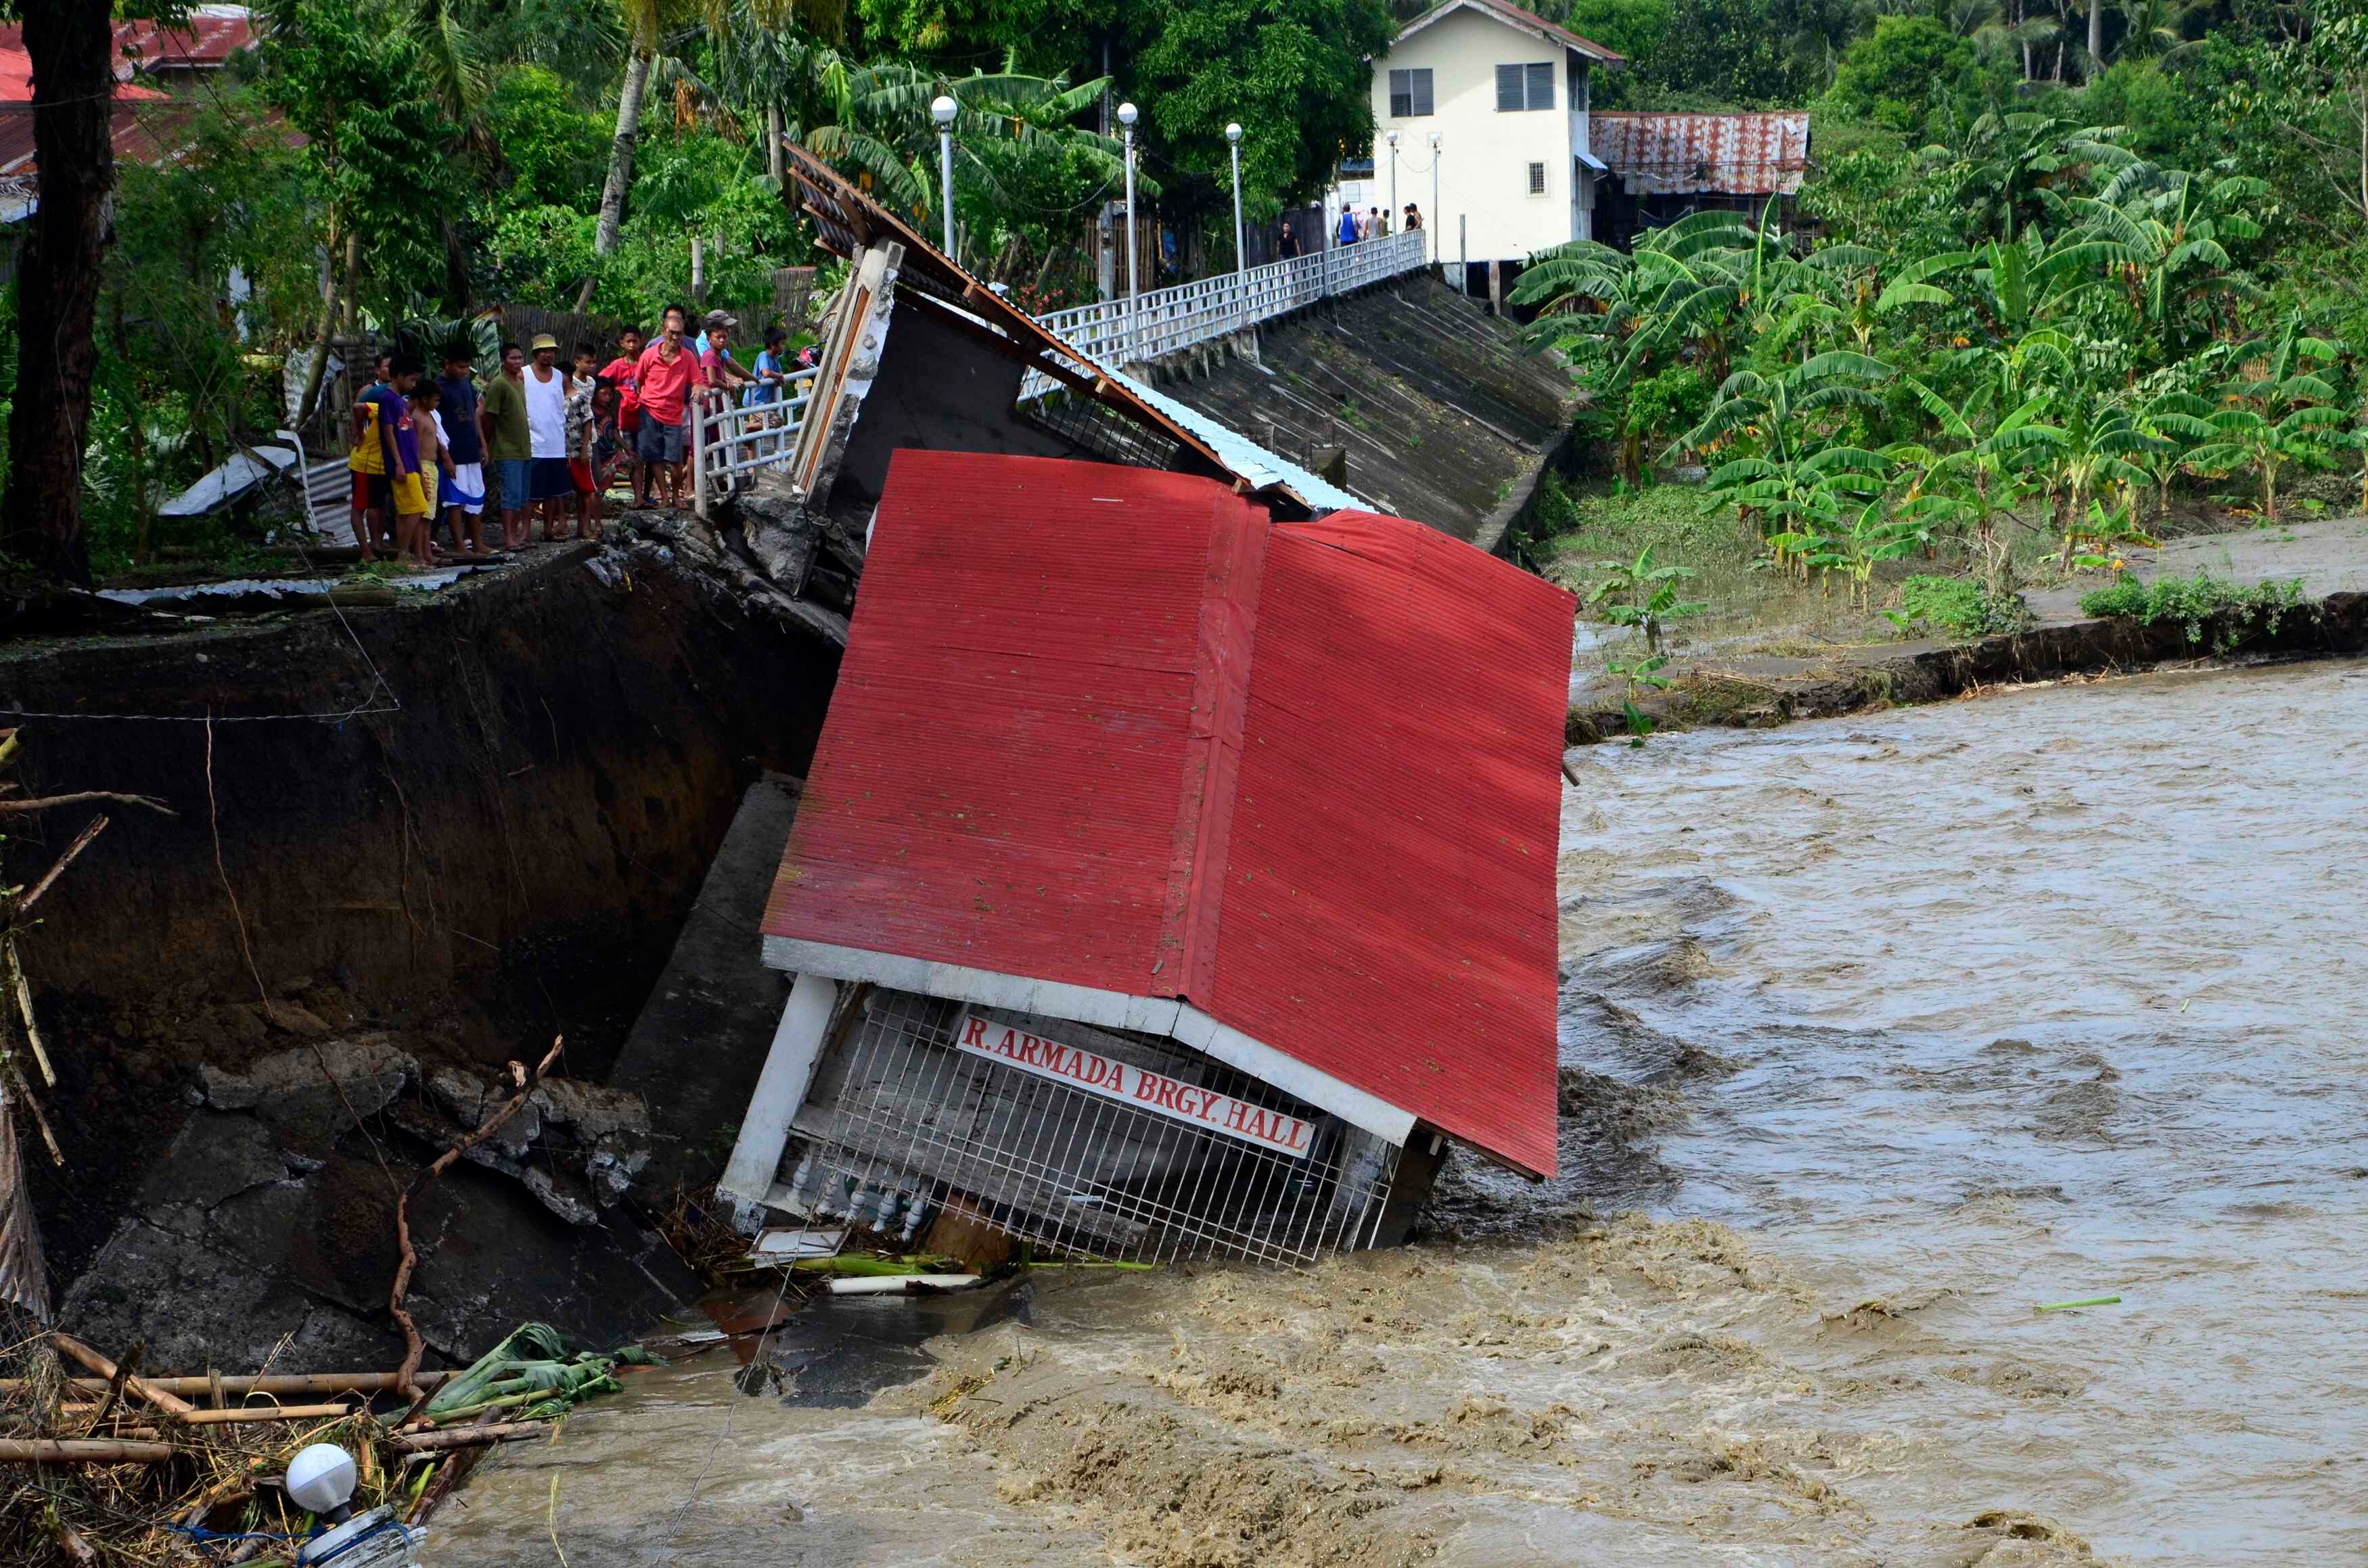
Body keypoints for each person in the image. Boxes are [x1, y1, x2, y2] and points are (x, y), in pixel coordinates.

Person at [346, 352, 412, 561]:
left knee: (379, 505)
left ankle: (377, 545)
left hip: (382, 464)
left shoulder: (399, 402)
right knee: (360, 506)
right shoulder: (383, 398)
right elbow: (358, 408)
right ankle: (366, 550)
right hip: (365, 463)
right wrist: (360, 433)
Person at [633, 305, 698, 509]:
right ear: (663, 332)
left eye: (679, 334)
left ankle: (677, 497)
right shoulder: (649, 354)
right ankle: (664, 497)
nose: (675, 338)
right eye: (671, 333)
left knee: (675, 460)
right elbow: (639, 380)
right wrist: (647, 399)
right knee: (655, 457)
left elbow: (697, 380)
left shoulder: (687, 357)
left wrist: (697, 391)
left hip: (674, 414)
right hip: (650, 411)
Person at [379, 351, 432, 566]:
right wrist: (399, 463)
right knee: (418, 508)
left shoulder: (400, 402)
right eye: (412, 379)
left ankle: (404, 555)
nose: (414, 383)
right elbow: (388, 432)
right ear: (399, 376)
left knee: (405, 512)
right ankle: (403, 553)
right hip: (402, 465)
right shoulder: (388, 400)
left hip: (411, 463)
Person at [479, 341, 532, 550]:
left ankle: (518, 537)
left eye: (520, 357)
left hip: (524, 449)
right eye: (513, 358)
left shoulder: (519, 383)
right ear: (503, 361)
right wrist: (486, 445)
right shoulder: (498, 384)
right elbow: (489, 418)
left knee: (521, 496)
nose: (517, 361)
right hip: (506, 449)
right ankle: (509, 538)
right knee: (510, 495)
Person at [435, 346, 486, 557]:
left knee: (476, 496)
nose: (464, 371)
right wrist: (445, 455)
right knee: (455, 500)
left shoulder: (466, 384)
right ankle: (459, 545)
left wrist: (482, 443)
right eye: (460, 366)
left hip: (471, 449)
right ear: (447, 364)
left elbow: (475, 414)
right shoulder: (437, 387)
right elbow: (434, 424)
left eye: (467, 367)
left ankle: (477, 542)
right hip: (452, 452)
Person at [522, 333, 572, 543]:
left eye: (551, 351)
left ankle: (548, 530)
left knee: (553, 493)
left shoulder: (560, 376)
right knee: (531, 495)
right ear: (535, 353)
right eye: (544, 351)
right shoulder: (523, 374)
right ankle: (524, 533)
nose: (548, 355)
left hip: (556, 443)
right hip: (534, 443)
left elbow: (571, 395)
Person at [405, 377, 457, 566]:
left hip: (432, 467)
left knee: (429, 516)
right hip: (423, 466)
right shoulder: (417, 417)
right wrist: (419, 473)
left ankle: (426, 553)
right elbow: (415, 448)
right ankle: (419, 554)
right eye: (435, 400)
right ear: (424, 399)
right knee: (422, 514)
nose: (437, 403)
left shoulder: (430, 415)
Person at [598, 326, 646, 508]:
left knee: (648, 458)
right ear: (622, 344)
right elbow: (600, 381)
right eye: (629, 341)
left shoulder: (646, 361)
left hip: (647, 416)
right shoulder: (617, 366)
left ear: (640, 341)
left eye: (635, 341)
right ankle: (637, 497)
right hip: (626, 419)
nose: (632, 345)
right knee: (633, 457)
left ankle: (644, 495)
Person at [565, 347, 599, 538]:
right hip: (566, 445)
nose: (592, 366)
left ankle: (585, 527)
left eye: (594, 362)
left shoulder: (590, 384)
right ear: (577, 362)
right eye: (588, 362)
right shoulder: (567, 387)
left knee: (587, 487)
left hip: (583, 442)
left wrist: (586, 446)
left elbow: (588, 418)